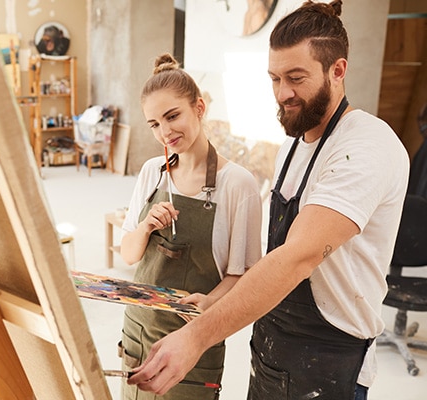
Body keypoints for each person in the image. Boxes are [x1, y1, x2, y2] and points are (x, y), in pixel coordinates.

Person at [126, 2, 410, 400]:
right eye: (275, 78)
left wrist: (195, 337)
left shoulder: (365, 147)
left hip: (327, 361)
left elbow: (297, 257)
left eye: (296, 78)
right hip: (272, 348)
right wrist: (213, 304)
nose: (283, 93)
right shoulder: (291, 147)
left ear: (338, 70)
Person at [119, 53, 263, 400]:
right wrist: (145, 228)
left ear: (199, 108)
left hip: (192, 342)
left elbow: (244, 275)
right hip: (139, 328)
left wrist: (210, 304)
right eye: (154, 124)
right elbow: (128, 254)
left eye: (172, 116)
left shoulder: (237, 185)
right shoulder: (153, 172)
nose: (165, 132)